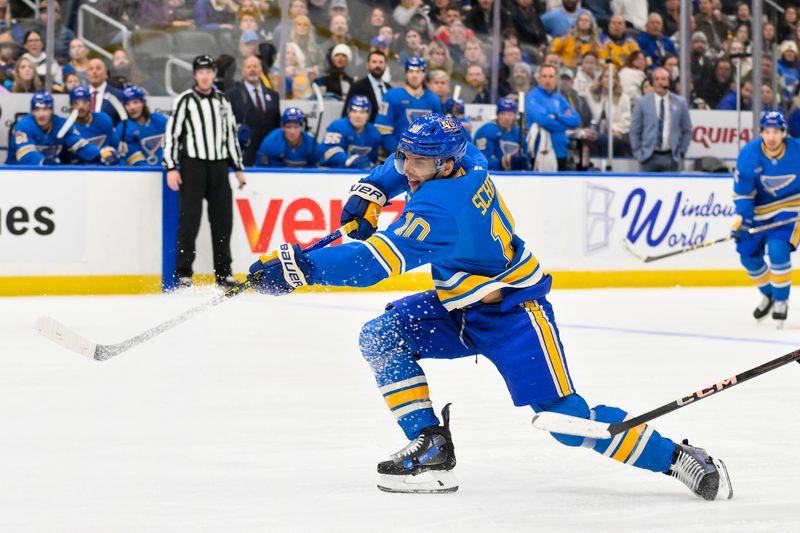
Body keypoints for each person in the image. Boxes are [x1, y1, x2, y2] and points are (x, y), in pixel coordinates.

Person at [244, 113, 732, 500]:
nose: (406, 168)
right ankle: (432, 445)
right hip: (459, 305)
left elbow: (374, 263)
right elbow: (399, 166)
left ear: (445, 166)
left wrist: (300, 268)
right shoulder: (466, 155)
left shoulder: (440, 209)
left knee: (567, 422)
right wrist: (371, 191)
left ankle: (678, 458)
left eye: (417, 163)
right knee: (380, 336)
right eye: (405, 156)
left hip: (514, 315)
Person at [162, 54, 246, 289]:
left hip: (219, 166)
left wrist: (238, 167)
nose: (205, 76)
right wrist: (171, 166)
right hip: (193, 165)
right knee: (189, 220)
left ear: (214, 75)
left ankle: (224, 272)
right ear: (195, 75)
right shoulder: (185, 100)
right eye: (201, 72)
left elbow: (230, 135)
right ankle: (184, 273)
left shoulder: (222, 100)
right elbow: (172, 136)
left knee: (223, 220)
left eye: (209, 72)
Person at [732, 111, 800, 324]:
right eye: (767, 132)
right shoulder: (749, 154)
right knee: (748, 255)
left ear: (784, 133)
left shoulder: (797, 150)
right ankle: (769, 294)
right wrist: (745, 220)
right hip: (760, 210)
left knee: (779, 249)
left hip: (791, 208)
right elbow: (743, 193)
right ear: (761, 132)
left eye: (776, 132)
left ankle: (781, 300)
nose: (771, 137)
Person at [6, 91, 103, 164]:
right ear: (32, 112)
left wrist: (100, 155)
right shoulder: (24, 125)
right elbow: (25, 154)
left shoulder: (62, 125)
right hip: (18, 175)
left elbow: (79, 145)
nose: (41, 114)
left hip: (50, 174)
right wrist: (43, 162)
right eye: (37, 110)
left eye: (45, 109)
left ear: (52, 110)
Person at [630, 67, 691, 172]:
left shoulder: (680, 103)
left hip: (671, 157)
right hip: (648, 157)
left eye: (663, 79)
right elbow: (635, 130)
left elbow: (687, 130)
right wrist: (637, 152)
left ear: (669, 81)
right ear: (652, 82)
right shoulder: (642, 102)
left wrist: (681, 152)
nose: (660, 82)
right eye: (656, 79)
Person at [376, 56, 442, 154]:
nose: (414, 75)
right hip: (397, 155)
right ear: (406, 73)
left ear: (424, 74)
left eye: (418, 71)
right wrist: (400, 153)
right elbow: (383, 130)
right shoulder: (391, 96)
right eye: (411, 71)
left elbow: (438, 132)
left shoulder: (433, 99)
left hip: (426, 157)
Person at [226, 55, 281, 167]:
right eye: (248, 67)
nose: (252, 69)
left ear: (261, 70)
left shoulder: (272, 95)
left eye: (255, 66)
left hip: (268, 156)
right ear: (243, 71)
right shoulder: (231, 95)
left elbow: (277, 125)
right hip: (243, 156)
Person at [525, 64, 581, 170]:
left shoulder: (559, 99)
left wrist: (556, 116)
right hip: (540, 151)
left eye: (551, 76)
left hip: (561, 150)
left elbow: (576, 120)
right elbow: (544, 121)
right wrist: (564, 124)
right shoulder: (532, 97)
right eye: (544, 76)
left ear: (556, 79)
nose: (547, 80)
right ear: (538, 78)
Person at [60, 86, 119, 165]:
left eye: (84, 102)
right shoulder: (66, 126)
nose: (81, 107)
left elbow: (115, 145)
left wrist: (113, 153)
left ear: (90, 103)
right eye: (76, 103)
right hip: (77, 172)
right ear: (71, 106)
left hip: (104, 170)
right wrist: (101, 153)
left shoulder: (104, 119)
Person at [318, 96, 380, 169]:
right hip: (333, 173)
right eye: (354, 111)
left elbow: (373, 160)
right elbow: (328, 151)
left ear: (368, 115)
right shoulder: (337, 126)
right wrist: (348, 160)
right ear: (348, 113)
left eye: (362, 112)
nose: (358, 115)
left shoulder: (374, 133)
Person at [116, 85, 168, 166]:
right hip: (141, 174)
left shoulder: (160, 120)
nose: (132, 107)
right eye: (127, 104)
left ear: (143, 103)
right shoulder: (123, 128)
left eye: (135, 102)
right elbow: (132, 156)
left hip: (167, 170)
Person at [474, 97, 528, 170]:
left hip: (515, 178)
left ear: (515, 116)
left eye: (510, 114)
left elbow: (526, 159)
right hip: (490, 177)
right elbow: (480, 162)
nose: (506, 117)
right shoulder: (487, 131)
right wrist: (503, 163)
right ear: (497, 115)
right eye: (503, 114)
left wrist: (524, 163)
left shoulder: (518, 133)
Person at [342, 50, 389, 123]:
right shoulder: (357, 87)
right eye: (374, 62)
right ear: (367, 65)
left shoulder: (389, 88)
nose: (378, 65)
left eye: (381, 62)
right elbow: (346, 114)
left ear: (386, 65)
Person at [86, 58, 124, 125]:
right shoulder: (81, 96)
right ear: (87, 74)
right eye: (91, 69)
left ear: (106, 73)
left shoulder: (118, 95)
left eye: (98, 68)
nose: (94, 71)